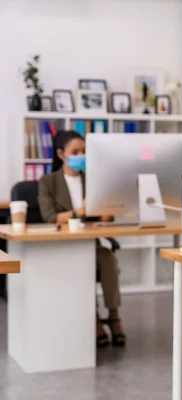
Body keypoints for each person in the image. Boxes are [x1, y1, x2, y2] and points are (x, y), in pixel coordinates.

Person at [38, 130, 126, 347]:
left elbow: (106, 214)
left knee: (108, 260)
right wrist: (80, 211)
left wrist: (108, 208)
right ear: (61, 154)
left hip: (91, 244)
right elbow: (51, 218)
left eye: (84, 151)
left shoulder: (92, 179)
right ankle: (94, 318)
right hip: (62, 246)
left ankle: (113, 315)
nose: (81, 155)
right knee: (83, 266)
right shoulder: (48, 182)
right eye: (75, 151)